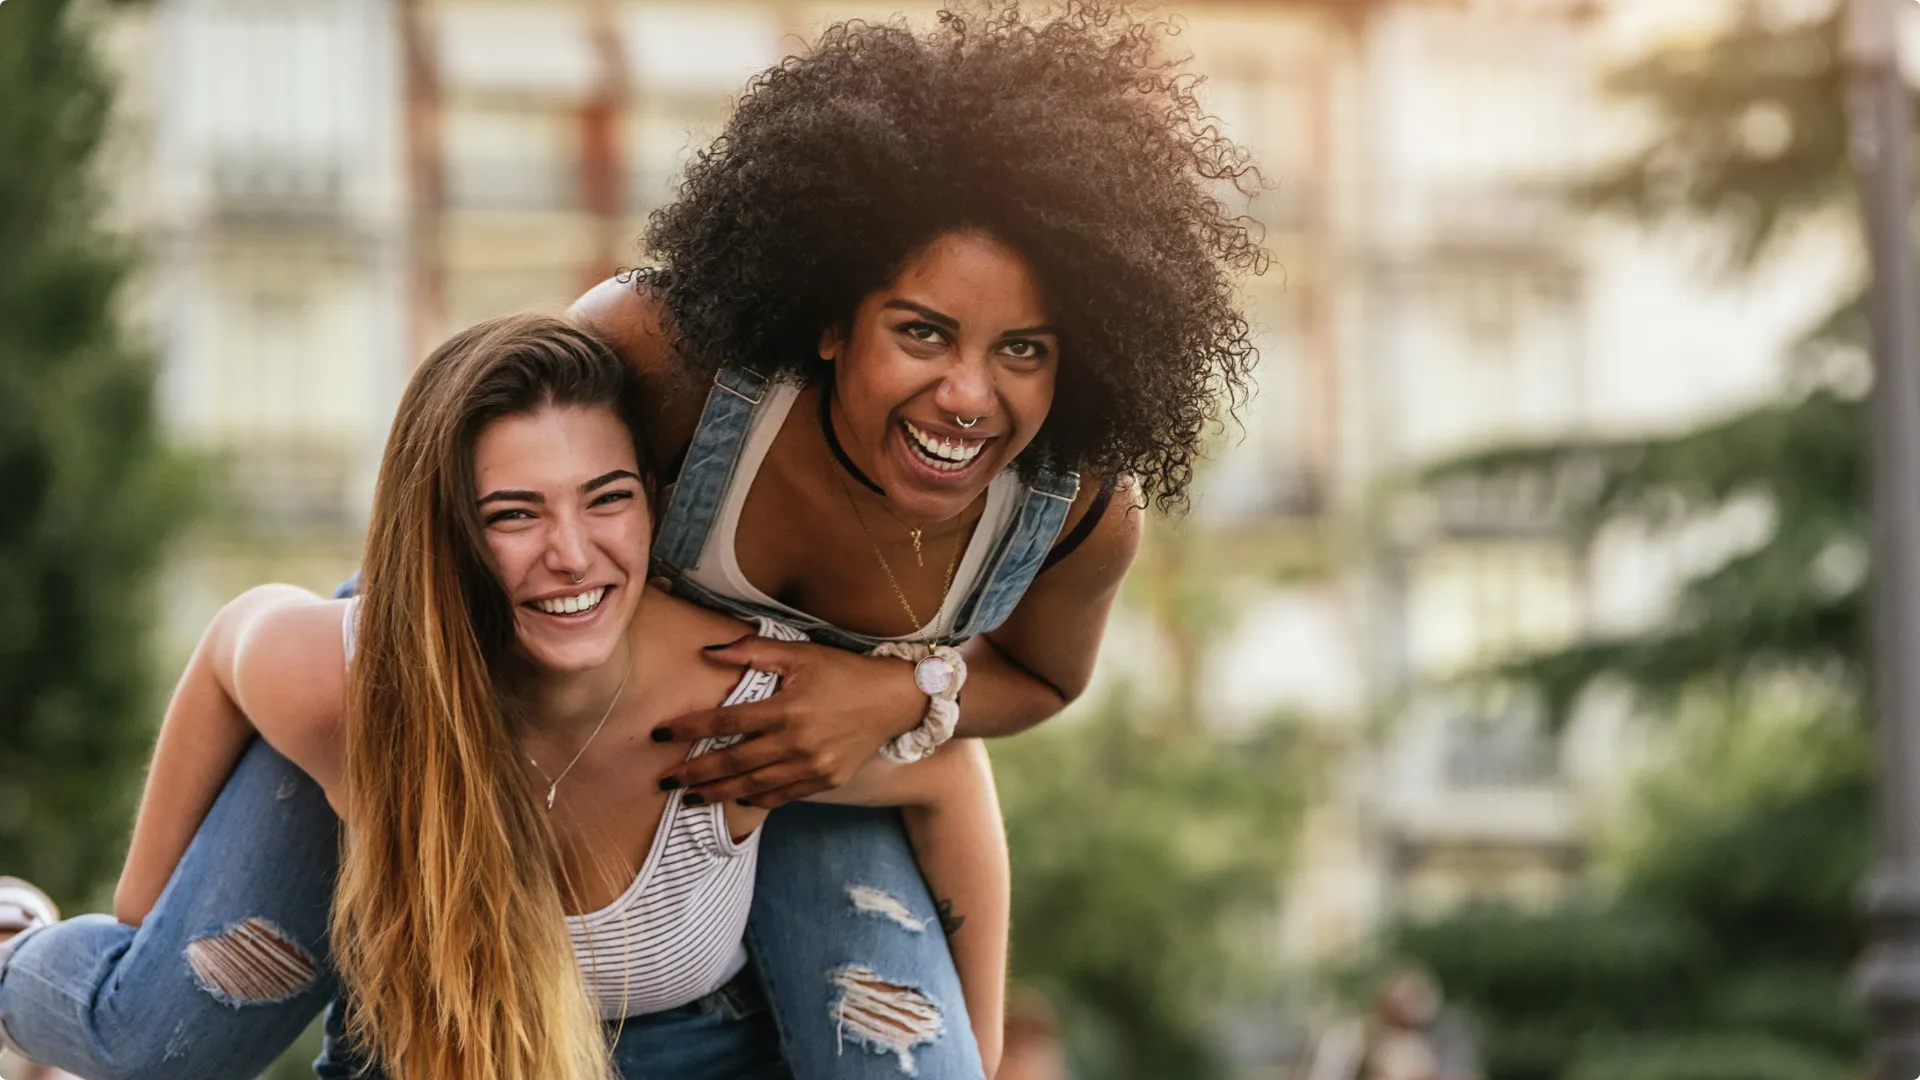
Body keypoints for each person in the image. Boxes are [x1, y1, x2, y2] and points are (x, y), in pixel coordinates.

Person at [0, 6, 1261, 1078]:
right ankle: (21, 955)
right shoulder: (672, 355)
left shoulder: (1073, 507)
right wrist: (158, 914)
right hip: (484, 675)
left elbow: (1034, 689)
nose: (968, 397)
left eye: (1023, 350)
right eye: (922, 332)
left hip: (758, 758)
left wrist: (894, 688)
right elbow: (506, 455)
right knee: (167, 1036)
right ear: (827, 315)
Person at [0, 315, 1008, 1080]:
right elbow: (233, 645)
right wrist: (149, 933)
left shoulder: (739, 694)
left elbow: (951, 773)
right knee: (145, 1045)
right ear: (449, 536)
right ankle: (14, 949)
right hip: (435, 1042)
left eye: (605, 498)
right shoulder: (345, 684)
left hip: (694, 1050)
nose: (572, 556)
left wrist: (978, 1047)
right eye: (512, 514)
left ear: (653, 503)